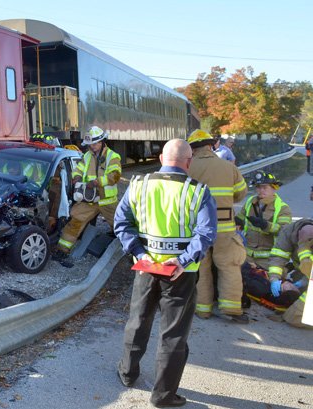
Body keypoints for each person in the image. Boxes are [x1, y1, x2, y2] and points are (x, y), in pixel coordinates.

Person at [114, 139, 217, 408]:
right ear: (189, 161)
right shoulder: (198, 192)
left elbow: (121, 222)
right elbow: (206, 233)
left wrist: (138, 252)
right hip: (180, 275)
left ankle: (127, 373)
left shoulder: (138, 185)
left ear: (161, 158)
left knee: (137, 321)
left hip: (146, 269)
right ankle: (163, 396)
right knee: (173, 334)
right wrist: (183, 260)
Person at [186, 129, 249, 321]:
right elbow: (240, 194)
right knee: (229, 266)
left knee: (201, 268)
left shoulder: (187, 168)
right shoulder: (228, 167)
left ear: (192, 149)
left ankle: (203, 309)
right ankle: (231, 309)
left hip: (197, 227)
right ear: (211, 145)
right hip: (225, 227)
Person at [56, 125, 121, 254]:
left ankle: (131, 251)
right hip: (89, 199)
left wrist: (97, 182)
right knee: (74, 222)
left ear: (101, 142)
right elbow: (78, 169)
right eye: (90, 144)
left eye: (94, 144)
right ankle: (62, 250)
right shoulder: (87, 156)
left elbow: (115, 175)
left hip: (107, 200)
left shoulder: (112, 156)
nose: (92, 146)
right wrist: (77, 177)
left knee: (120, 225)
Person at [235, 171, 292, 270]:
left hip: (268, 260)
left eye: (265, 187)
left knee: (263, 284)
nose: (261, 190)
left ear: (274, 188)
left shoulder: (282, 208)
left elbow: (284, 231)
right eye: (258, 187)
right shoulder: (250, 202)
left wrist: (266, 225)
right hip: (246, 256)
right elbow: (240, 221)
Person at [267, 219, 313, 327]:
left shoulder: (306, 242)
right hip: (305, 271)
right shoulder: (288, 233)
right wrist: (274, 279)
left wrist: (305, 281)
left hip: (308, 271)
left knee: (294, 318)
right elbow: (278, 257)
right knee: (293, 316)